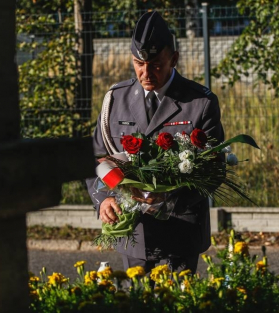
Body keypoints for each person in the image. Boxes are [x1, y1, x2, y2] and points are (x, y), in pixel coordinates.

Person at [86, 10, 224, 275]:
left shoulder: (200, 103)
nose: (146, 72)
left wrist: (168, 200)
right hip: (133, 231)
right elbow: (97, 157)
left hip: (181, 230)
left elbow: (214, 170)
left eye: (156, 64)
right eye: (139, 63)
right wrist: (103, 200)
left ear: (174, 59)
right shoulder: (116, 100)